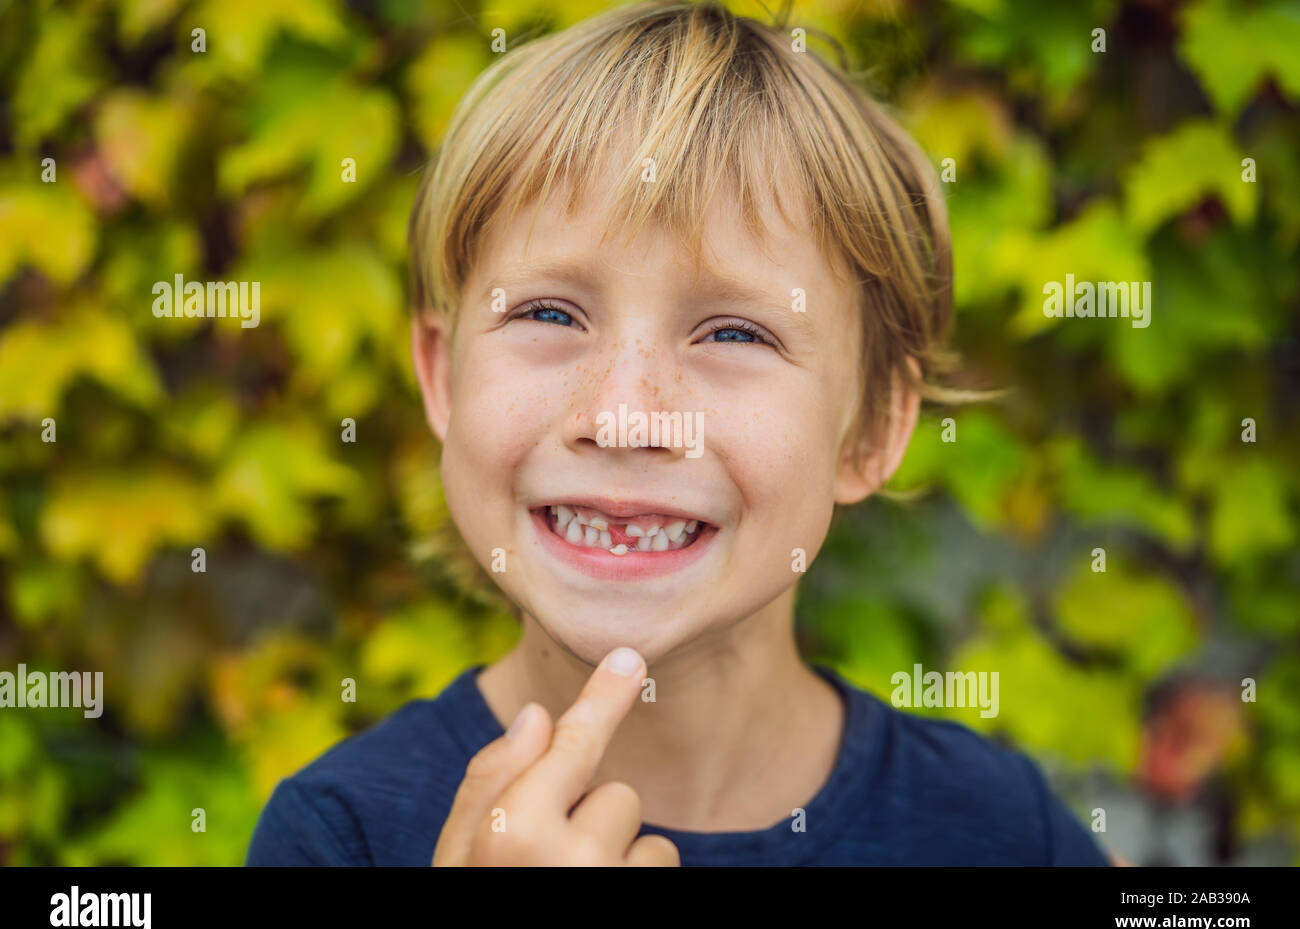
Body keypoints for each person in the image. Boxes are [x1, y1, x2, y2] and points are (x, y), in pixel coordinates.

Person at [247, 0, 1110, 866]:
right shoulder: (336, 837)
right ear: (442, 375)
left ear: (872, 428)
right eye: (550, 313)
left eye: (734, 334)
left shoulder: (1001, 831)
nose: (624, 417)